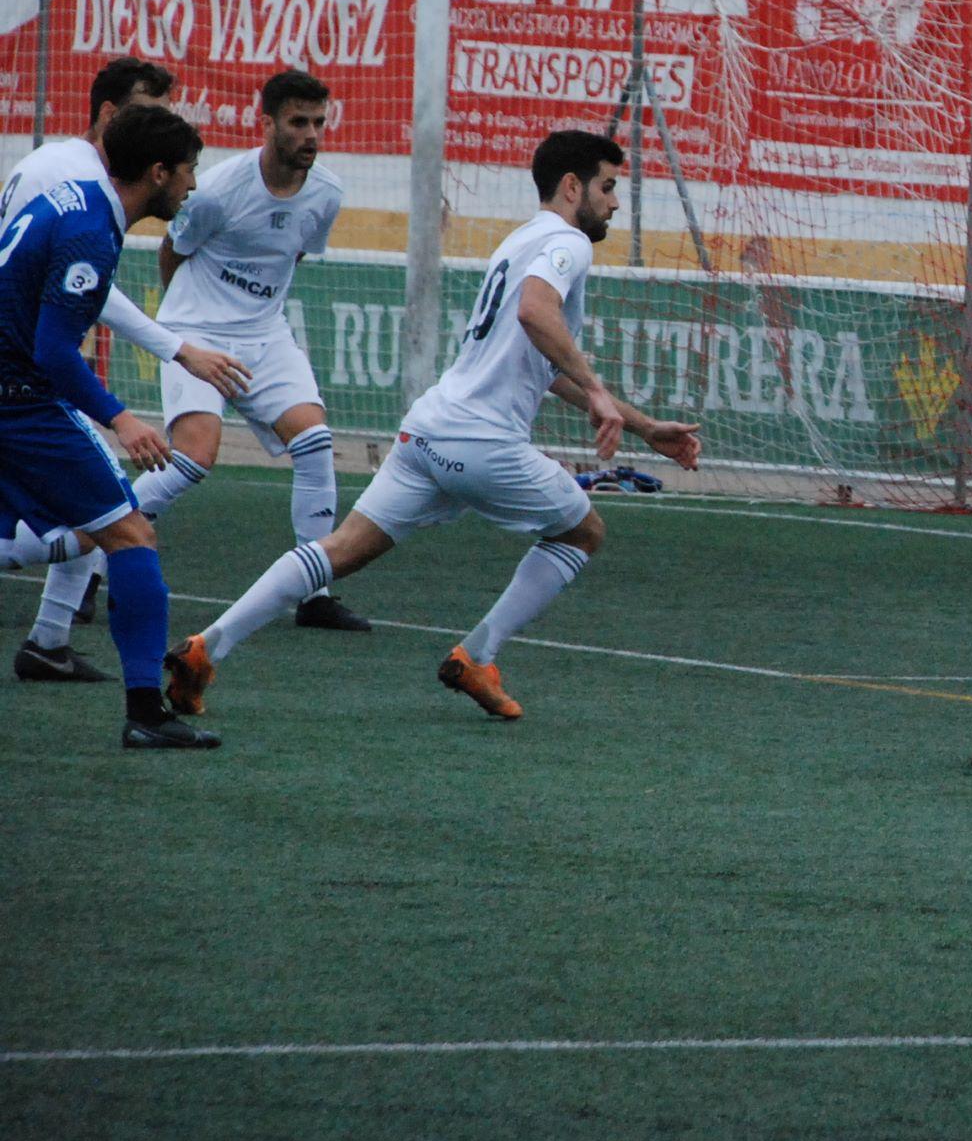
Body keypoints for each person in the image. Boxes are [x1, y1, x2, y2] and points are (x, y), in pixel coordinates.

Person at [166, 131, 701, 724]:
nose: (614, 203)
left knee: (337, 551)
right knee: (583, 532)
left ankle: (206, 647)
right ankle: (478, 655)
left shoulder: (518, 242)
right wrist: (600, 391)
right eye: (607, 187)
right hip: (484, 443)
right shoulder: (569, 243)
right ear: (572, 187)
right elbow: (534, 312)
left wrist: (643, 425)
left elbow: (543, 365)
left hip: (428, 431)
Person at [4, 59, 250, 684]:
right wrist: (131, 402)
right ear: (115, 119)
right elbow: (66, 293)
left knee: (103, 517)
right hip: (21, 380)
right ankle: (141, 701)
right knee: (123, 527)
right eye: (153, 113)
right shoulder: (80, 189)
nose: (192, 181)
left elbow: (67, 283)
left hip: (25, 367)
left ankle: (50, 640)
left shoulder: (77, 187)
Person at [146, 70, 365, 631]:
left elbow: (291, 256)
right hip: (196, 329)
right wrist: (188, 331)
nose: (311, 134)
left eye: (319, 121)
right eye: (298, 122)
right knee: (194, 459)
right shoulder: (220, 189)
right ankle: (97, 553)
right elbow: (173, 252)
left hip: (265, 335)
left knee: (315, 441)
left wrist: (252, 318)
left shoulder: (327, 194)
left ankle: (314, 594)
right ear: (265, 123)